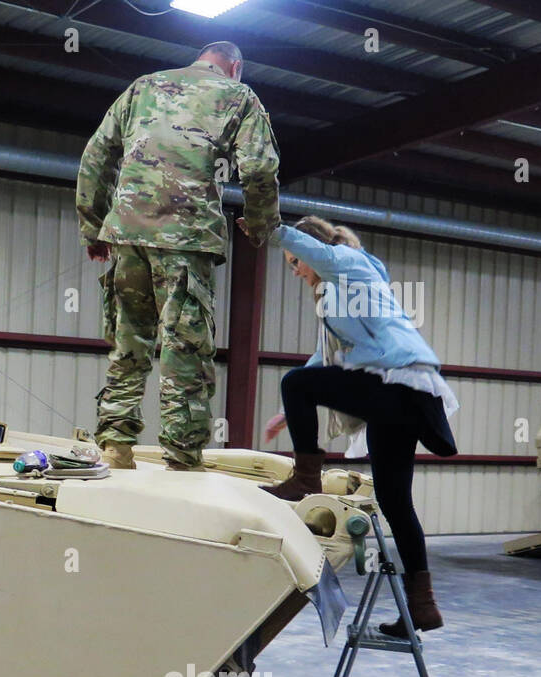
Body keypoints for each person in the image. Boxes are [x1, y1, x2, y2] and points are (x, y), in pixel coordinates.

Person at [243, 214, 458, 636]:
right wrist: (289, 411)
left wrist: (270, 226)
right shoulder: (336, 292)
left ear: (310, 250)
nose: (294, 269)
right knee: (396, 501)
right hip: (394, 397)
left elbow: (317, 253)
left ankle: (306, 479)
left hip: (398, 383)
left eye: (294, 261)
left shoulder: (347, 262)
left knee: (297, 384)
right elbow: (326, 360)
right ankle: (424, 606)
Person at [78, 40, 280, 471]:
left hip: (127, 233)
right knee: (184, 348)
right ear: (236, 67)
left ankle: (115, 446)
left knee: (129, 343)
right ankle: (182, 457)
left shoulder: (141, 87)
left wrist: (93, 228)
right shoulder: (238, 96)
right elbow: (259, 168)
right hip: (186, 239)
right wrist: (260, 225)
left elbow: (96, 156)